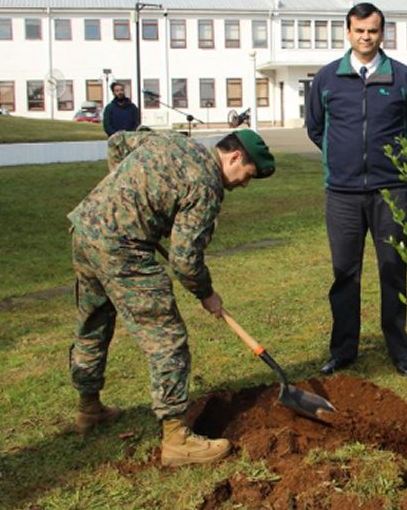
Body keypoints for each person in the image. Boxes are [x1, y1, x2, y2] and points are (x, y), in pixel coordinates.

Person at [67, 128, 275, 467]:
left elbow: (117, 141)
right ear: (234, 157)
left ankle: (88, 407)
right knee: (167, 338)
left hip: (87, 229)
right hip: (123, 250)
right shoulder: (207, 186)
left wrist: (126, 191)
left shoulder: (173, 140)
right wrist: (206, 294)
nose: (243, 184)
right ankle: (177, 438)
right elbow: (185, 261)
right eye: (247, 176)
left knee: (94, 321)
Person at [305, 2, 407, 378]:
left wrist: (392, 165)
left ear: (382, 33)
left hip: (390, 192)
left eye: (373, 31)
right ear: (348, 32)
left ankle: (398, 348)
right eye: (359, 30)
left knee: (393, 269)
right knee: (345, 273)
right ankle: (343, 350)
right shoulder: (327, 79)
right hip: (342, 193)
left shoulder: (403, 79)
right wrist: (342, 161)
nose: (366, 37)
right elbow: (316, 128)